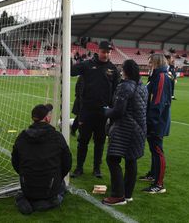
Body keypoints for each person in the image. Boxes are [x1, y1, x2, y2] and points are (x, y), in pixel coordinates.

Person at [70, 41, 120, 178]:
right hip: (86, 110)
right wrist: (68, 57)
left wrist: (112, 109)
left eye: (109, 52)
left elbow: (117, 90)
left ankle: (96, 169)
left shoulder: (113, 69)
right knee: (83, 141)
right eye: (104, 52)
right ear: (98, 51)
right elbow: (71, 71)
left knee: (100, 142)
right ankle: (79, 168)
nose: (106, 54)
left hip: (103, 112)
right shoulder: (87, 64)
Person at [11, 104, 72, 214]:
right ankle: (42, 203)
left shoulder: (22, 137)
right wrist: (57, 176)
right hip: (49, 186)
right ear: (47, 118)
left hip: (28, 185)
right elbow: (67, 163)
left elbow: (15, 162)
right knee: (61, 188)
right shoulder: (57, 137)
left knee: (33, 189)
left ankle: (25, 200)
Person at [102, 60, 148, 205]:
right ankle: (127, 194)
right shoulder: (142, 87)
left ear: (125, 71)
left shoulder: (125, 87)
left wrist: (105, 111)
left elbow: (118, 111)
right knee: (131, 160)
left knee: (112, 159)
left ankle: (117, 196)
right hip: (139, 128)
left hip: (125, 129)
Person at [140, 54, 172, 194]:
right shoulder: (156, 76)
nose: (148, 65)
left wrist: (151, 122)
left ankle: (159, 184)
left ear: (156, 63)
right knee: (154, 149)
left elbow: (158, 102)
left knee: (158, 150)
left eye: (150, 63)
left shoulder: (161, 77)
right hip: (155, 120)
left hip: (157, 122)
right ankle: (153, 174)